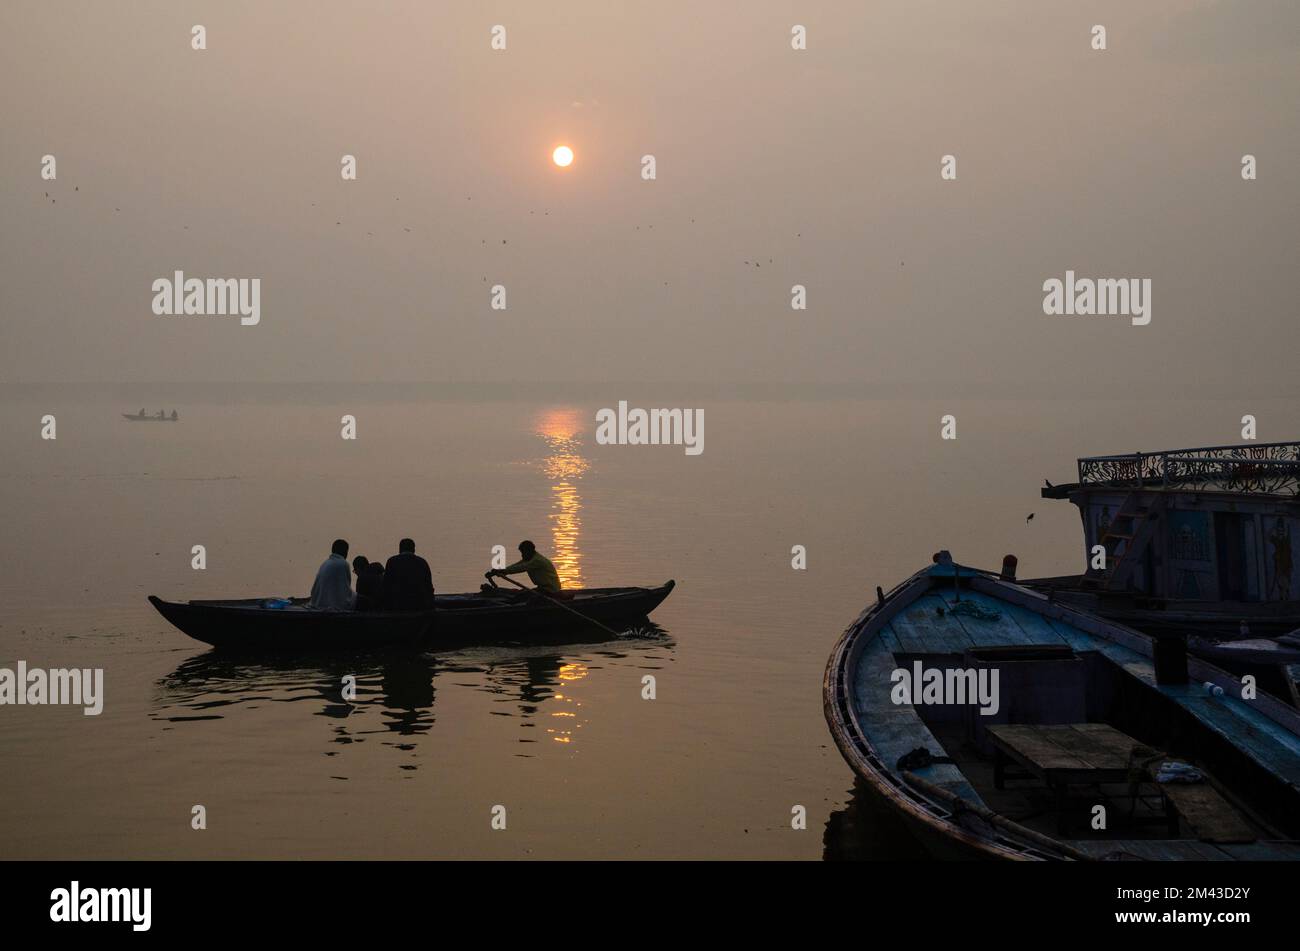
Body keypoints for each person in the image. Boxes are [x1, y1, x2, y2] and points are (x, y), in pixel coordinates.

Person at [486, 540, 562, 594]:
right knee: (521, 593)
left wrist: (503, 571)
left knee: (521, 596)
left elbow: (520, 568)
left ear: (529, 551)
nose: (522, 555)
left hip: (550, 590)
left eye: (523, 552)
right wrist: (501, 570)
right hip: (542, 588)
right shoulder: (529, 559)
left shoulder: (537, 561)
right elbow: (516, 565)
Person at [382, 538, 435, 610]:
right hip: (419, 604)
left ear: (400, 549)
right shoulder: (422, 562)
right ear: (414, 549)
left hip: (397, 605)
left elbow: (386, 585)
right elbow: (428, 586)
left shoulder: (392, 562)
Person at [309, 539, 354, 610]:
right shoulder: (343, 564)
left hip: (318, 602)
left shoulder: (325, 563)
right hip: (333, 605)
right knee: (365, 601)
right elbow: (346, 590)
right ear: (345, 552)